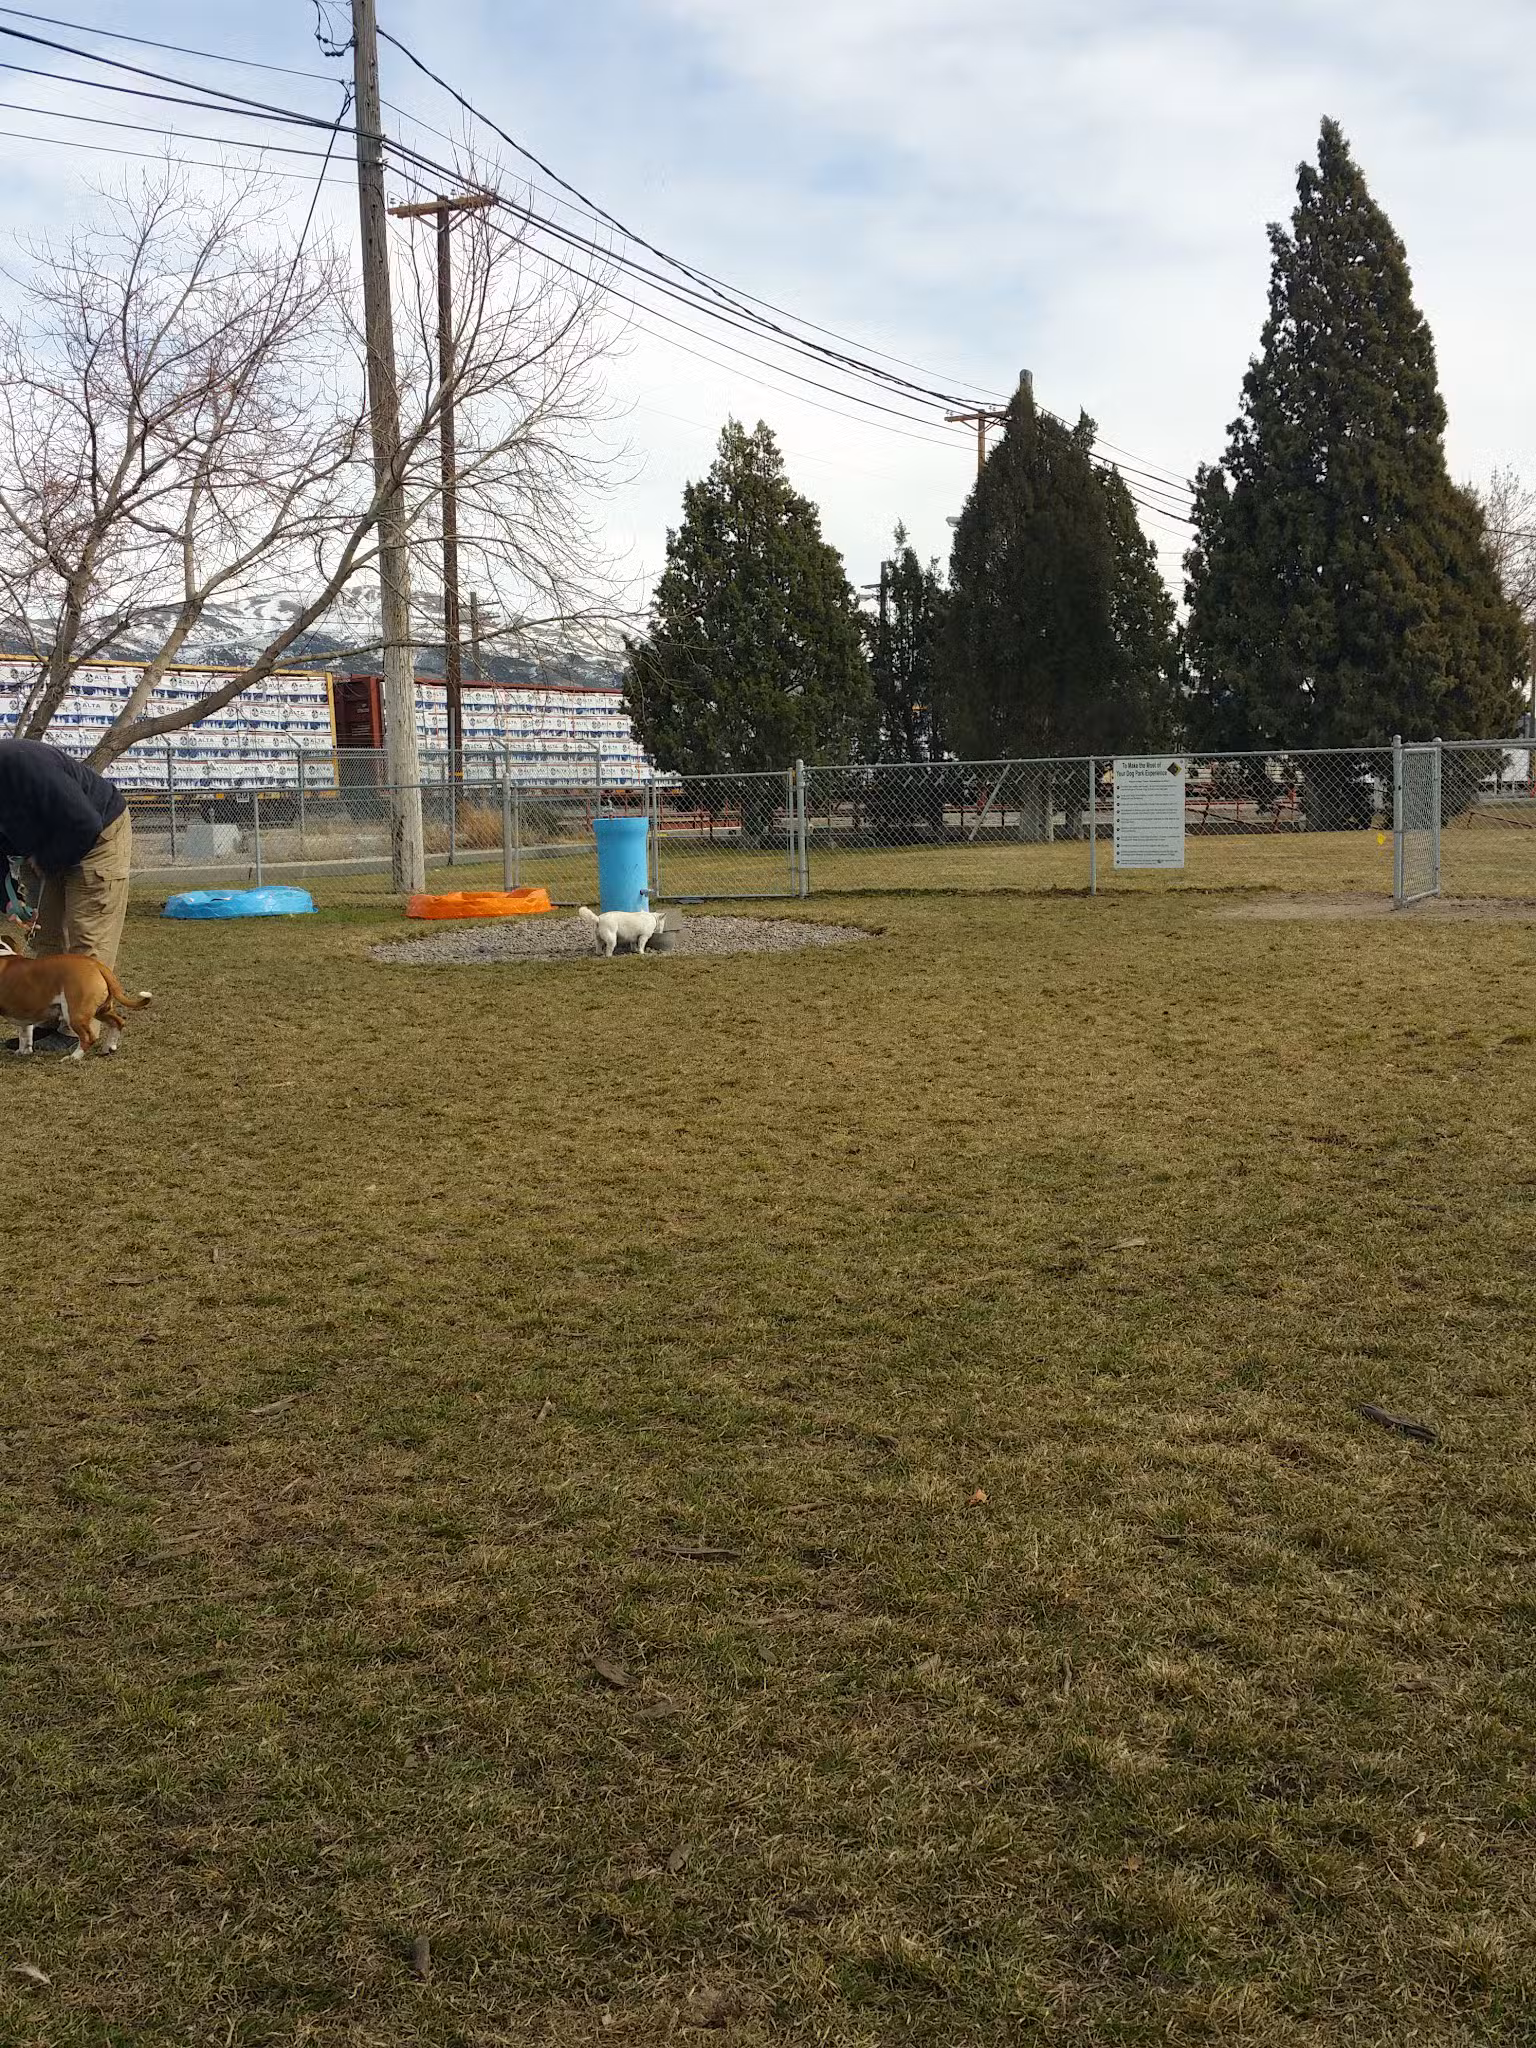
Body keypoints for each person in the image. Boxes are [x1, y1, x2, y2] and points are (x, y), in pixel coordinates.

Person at [0, 738, 133, 1052]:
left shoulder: (22, 766)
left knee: (86, 935)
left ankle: (77, 1028)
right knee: (44, 934)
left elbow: (83, 822)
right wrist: (7, 899)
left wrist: (44, 861)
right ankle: (46, 1016)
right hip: (42, 847)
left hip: (97, 834)